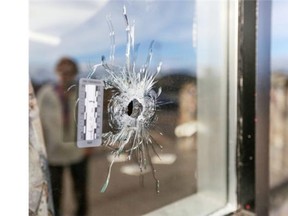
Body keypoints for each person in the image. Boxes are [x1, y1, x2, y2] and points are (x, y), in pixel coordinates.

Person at [37, 57, 88, 216]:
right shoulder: (46, 93)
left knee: (80, 192)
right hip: (53, 153)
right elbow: (36, 122)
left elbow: (91, 120)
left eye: (69, 72)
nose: (65, 75)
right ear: (57, 72)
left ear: (75, 73)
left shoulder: (83, 93)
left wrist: (90, 145)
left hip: (78, 152)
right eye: (62, 72)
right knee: (55, 194)